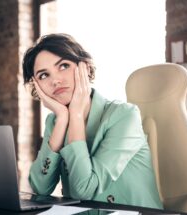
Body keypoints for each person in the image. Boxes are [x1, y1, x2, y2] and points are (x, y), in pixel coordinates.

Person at [22, 33, 163, 209]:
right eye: (43, 76)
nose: (55, 80)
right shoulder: (55, 121)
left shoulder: (124, 115)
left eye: (63, 66)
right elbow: (40, 188)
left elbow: (84, 191)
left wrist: (77, 115)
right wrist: (63, 118)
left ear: (86, 68)